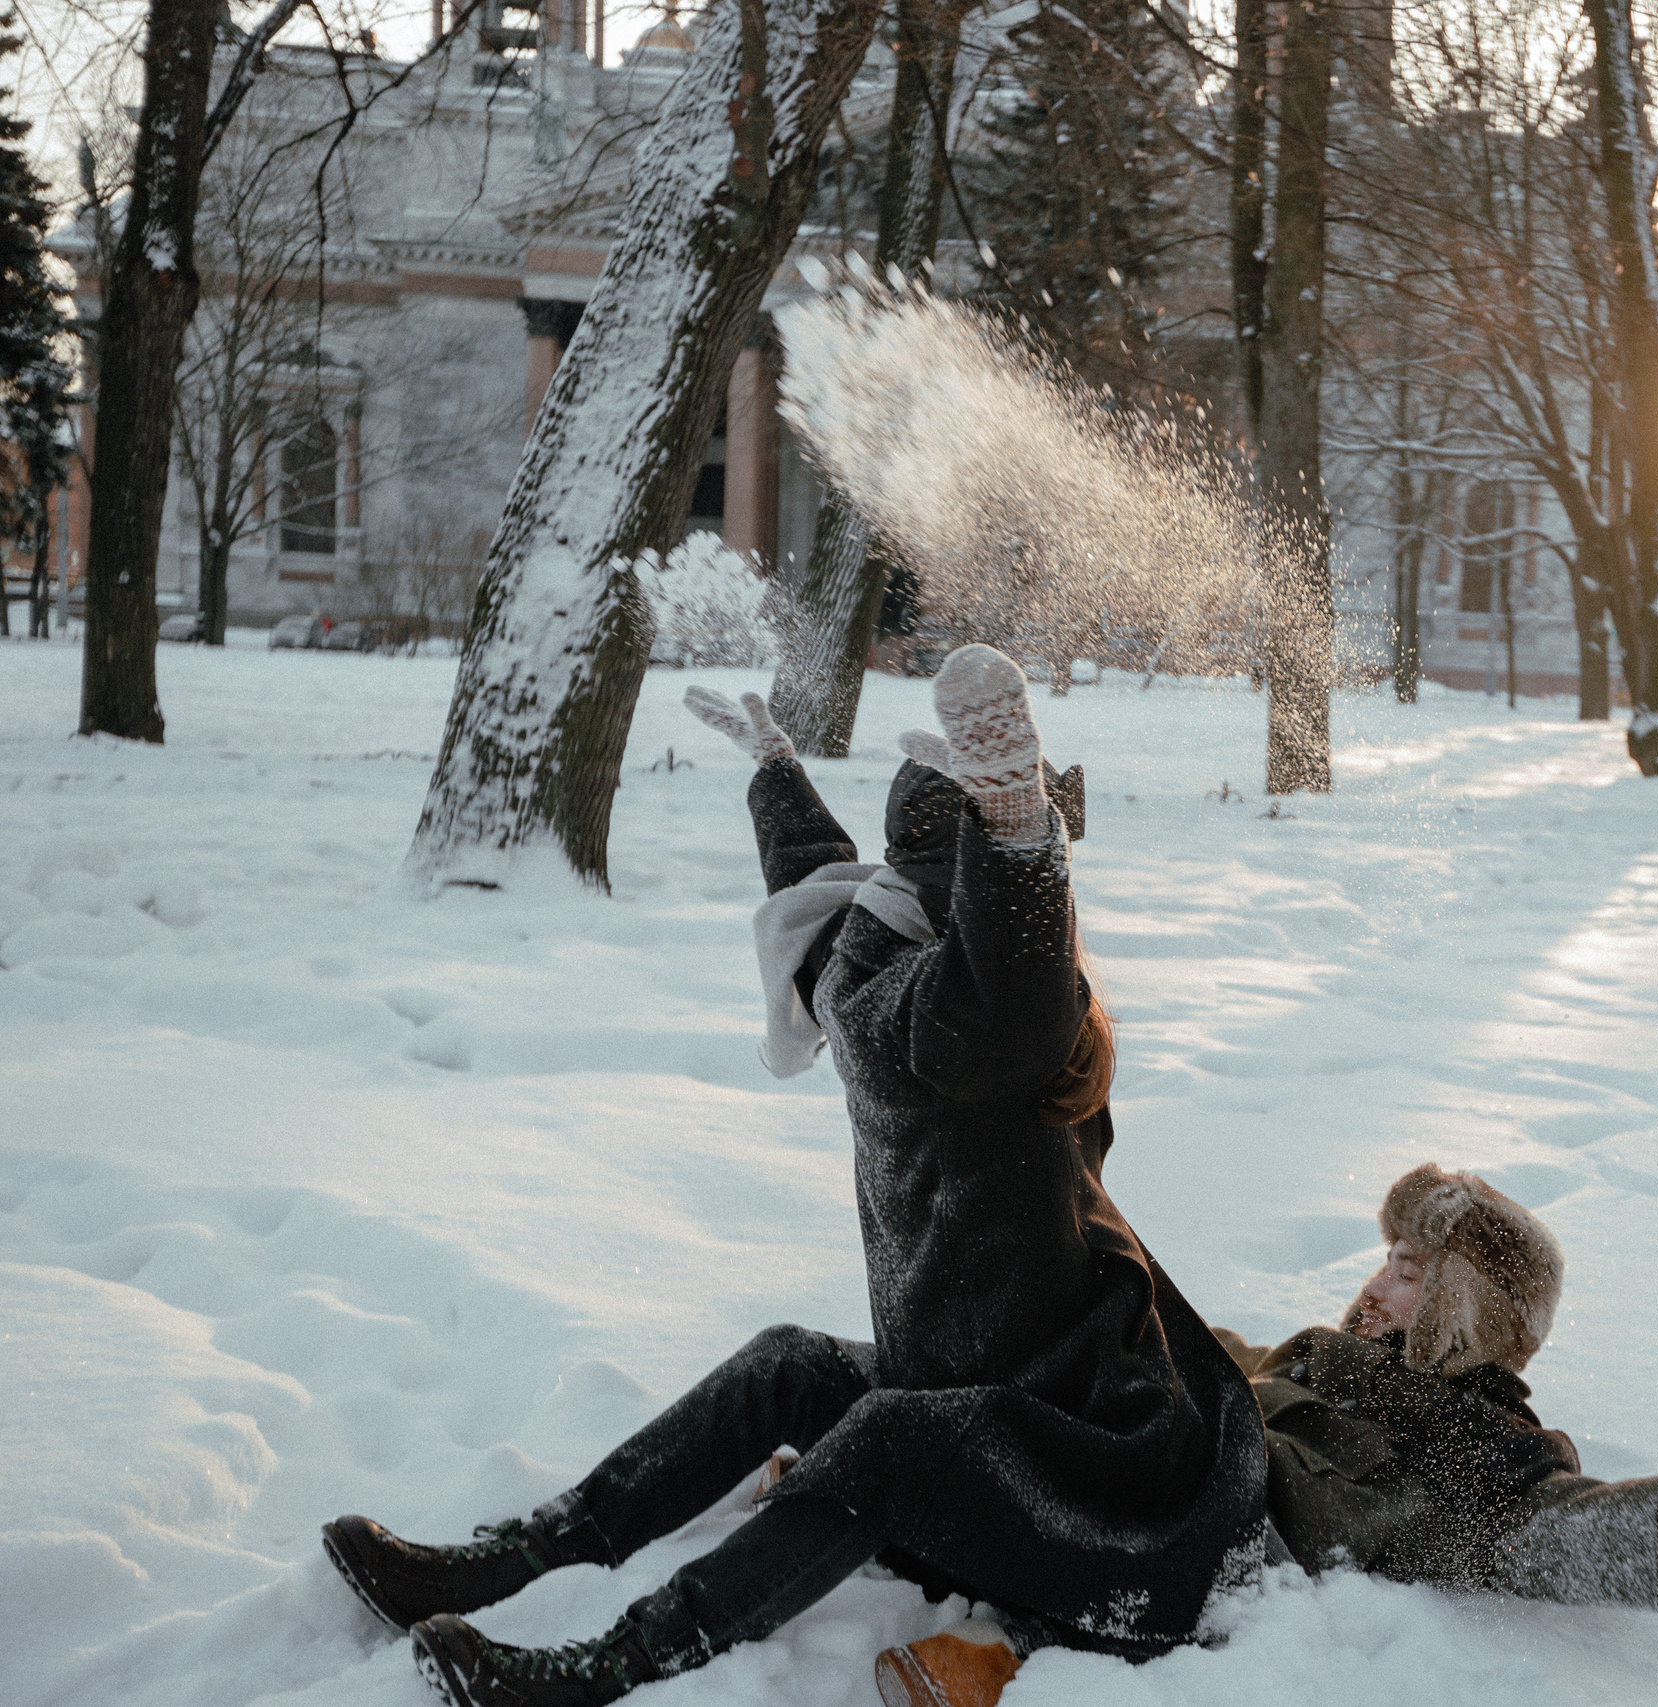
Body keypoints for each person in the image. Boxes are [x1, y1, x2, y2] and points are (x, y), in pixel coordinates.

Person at [322, 647, 1266, 1707]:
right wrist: (776, 770)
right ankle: (524, 1556)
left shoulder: (980, 1023)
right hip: (978, 1398)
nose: (877, 892)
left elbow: (1022, 972)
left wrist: (1017, 828)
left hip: (1101, 1476)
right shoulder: (881, 974)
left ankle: (616, 1665)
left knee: (889, 1438)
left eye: (914, 859)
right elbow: (820, 900)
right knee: (790, 1366)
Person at [1215, 1164, 1658, 1613]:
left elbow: (1548, 1532)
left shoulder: (1474, 1449)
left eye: (1407, 1272)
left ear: (1465, 1305)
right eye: (1384, 1263)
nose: (1375, 1288)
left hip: (1206, 1521)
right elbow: (1201, 1353)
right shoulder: (1319, 1361)